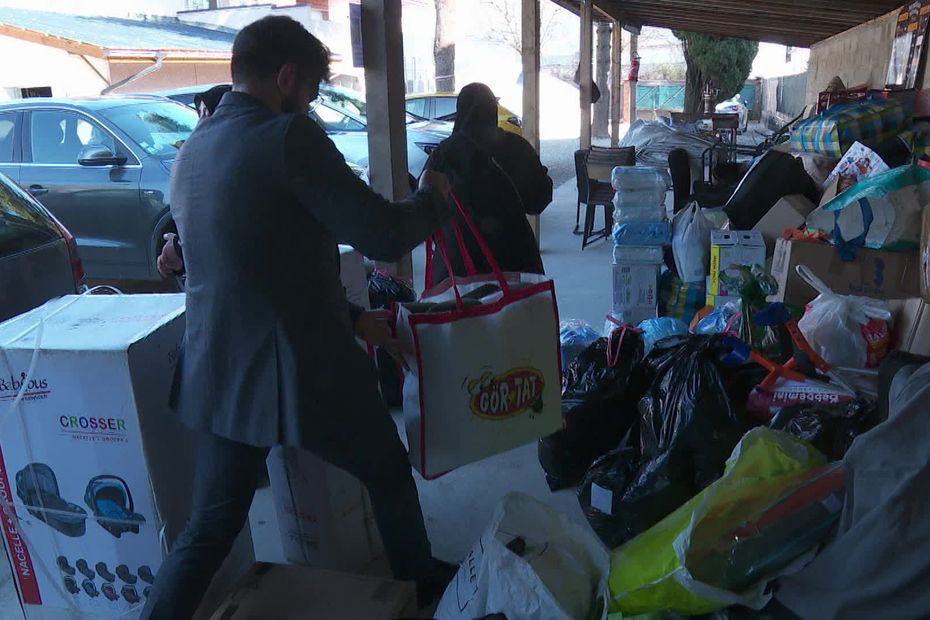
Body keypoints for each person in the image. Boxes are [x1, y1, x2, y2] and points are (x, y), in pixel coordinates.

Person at [141, 16, 455, 619]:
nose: (309, 107)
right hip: (299, 369)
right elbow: (382, 233)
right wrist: (433, 199)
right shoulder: (287, 137)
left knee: (208, 529)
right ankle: (418, 585)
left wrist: (355, 317)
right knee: (387, 470)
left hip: (219, 371)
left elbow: (256, 262)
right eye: (309, 92)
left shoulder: (194, 146)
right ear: (286, 77)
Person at [426, 82, 552, 282]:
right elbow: (538, 201)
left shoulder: (442, 154)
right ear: (493, 110)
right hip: (513, 268)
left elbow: (424, 211)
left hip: (456, 274)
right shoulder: (517, 148)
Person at [157, 85, 232, 279]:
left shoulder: (218, 160)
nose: (201, 121)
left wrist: (178, 248)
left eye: (205, 113)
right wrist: (178, 249)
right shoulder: (206, 155)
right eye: (199, 114)